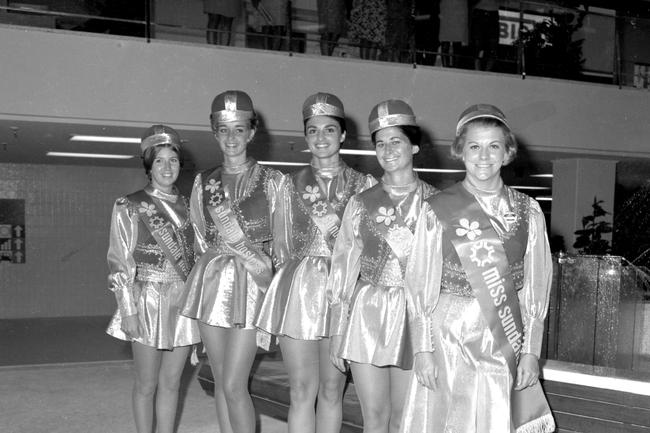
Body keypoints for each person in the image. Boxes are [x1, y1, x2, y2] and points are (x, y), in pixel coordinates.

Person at [400, 104, 556, 433]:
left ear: (507, 152)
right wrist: (422, 349)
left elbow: (536, 286)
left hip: (505, 332)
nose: (483, 156)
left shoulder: (530, 211)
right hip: (448, 333)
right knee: (449, 420)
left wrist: (531, 351)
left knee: (497, 419)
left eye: (493, 146)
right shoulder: (437, 209)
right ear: (460, 151)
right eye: (474, 146)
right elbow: (419, 282)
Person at [256, 92, 375, 433]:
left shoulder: (365, 185)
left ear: (342, 135)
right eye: (313, 130)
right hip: (301, 290)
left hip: (345, 291)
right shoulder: (287, 185)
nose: (320, 137)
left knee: (332, 389)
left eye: (328, 129)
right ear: (305, 136)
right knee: (301, 390)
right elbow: (280, 246)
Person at [328, 100, 437, 433]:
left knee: (406, 417)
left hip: (413, 317)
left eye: (396, 141)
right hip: (367, 314)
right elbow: (343, 268)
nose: (388, 150)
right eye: (380, 142)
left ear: (414, 145)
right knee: (373, 416)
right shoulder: (361, 204)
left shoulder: (438, 204)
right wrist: (336, 330)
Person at [181, 90, 282, 433]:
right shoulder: (202, 181)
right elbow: (198, 235)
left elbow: (283, 242)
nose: (232, 138)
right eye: (224, 130)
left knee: (235, 384)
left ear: (252, 133)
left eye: (239, 129)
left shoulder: (273, 181)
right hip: (211, 284)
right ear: (214, 133)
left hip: (253, 285)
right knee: (221, 381)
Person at [106, 124, 200, 433]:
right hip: (145, 298)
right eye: (159, 160)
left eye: (172, 160)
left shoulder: (190, 207)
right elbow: (120, 260)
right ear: (149, 165)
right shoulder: (129, 205)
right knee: (146, 384)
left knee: (172, 383)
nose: (167, 167)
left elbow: (199, 258)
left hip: (182, 300)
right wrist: (128, 310)